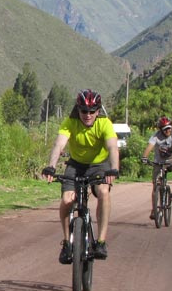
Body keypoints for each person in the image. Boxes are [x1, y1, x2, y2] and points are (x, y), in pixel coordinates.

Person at [42, 89, 119, 264]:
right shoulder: (70, 122)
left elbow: (113, 148)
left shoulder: (105, 124)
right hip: (76, 165)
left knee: (104, 192)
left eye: (92, 111)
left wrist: (114, 168)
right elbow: (59, 144)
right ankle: (67, 243)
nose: (88, 115)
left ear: (98, 112)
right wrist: (51, 166)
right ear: (78, 110)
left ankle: (100, 241)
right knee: (67, 200)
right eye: (84, 110)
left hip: (99, 165)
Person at [141, 116, 172, 217]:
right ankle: (154, 209)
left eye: (169, 128)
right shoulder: (156, 136)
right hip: (159, 163)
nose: (167, 130)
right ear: (161, 129)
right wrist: (144, 157)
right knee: (156, 186)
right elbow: (149, 147)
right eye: (165, 129)